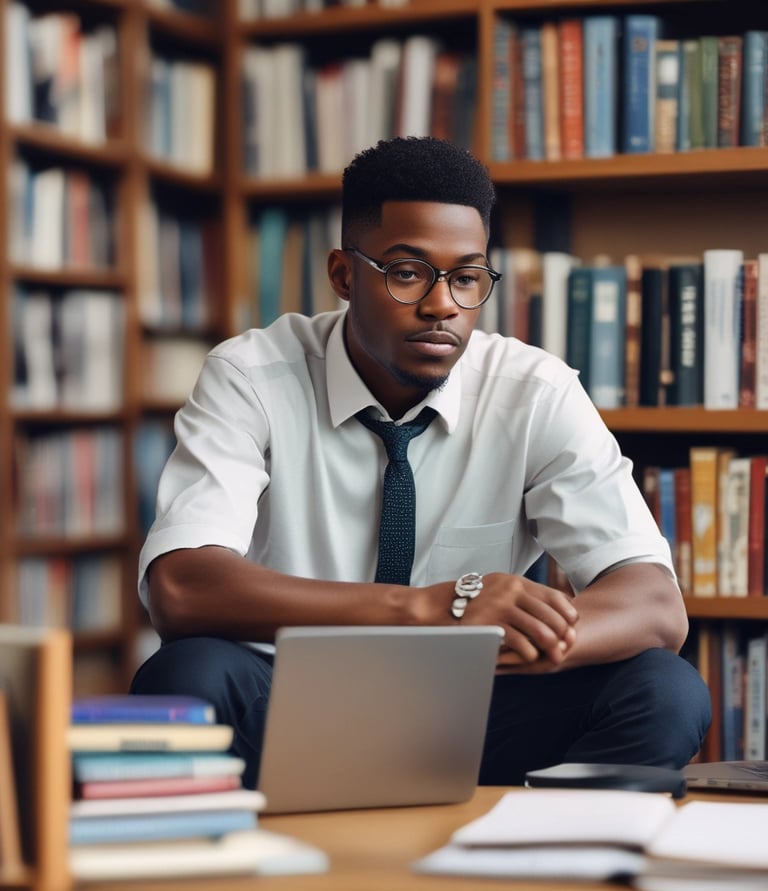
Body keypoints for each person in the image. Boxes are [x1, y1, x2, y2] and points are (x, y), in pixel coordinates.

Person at [132, 136, 711, 789]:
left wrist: (520, 638)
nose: (443, 305)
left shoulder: (533, 391)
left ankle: (534, 863)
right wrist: (431, 611)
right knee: (185, 679)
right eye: (408, 272)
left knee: (665, 690)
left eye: (466, 278)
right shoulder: (253, 374)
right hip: (290, 698)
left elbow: (655, 605)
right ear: (344, 274)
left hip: (474, 706)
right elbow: (182, 586)